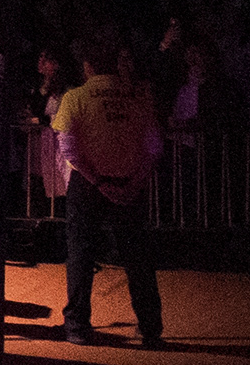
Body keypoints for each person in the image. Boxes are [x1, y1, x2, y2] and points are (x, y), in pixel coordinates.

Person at [52, 39, 165, 347]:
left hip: (89, 186)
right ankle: (151, 328)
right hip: (130, 183)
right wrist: (133, 183)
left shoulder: (75, 97)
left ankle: (76, 326)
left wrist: (99, 182)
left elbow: (69, 148)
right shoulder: (138, 97)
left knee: (80, 254)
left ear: (88, 67)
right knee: (138, 257)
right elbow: (154, 148)